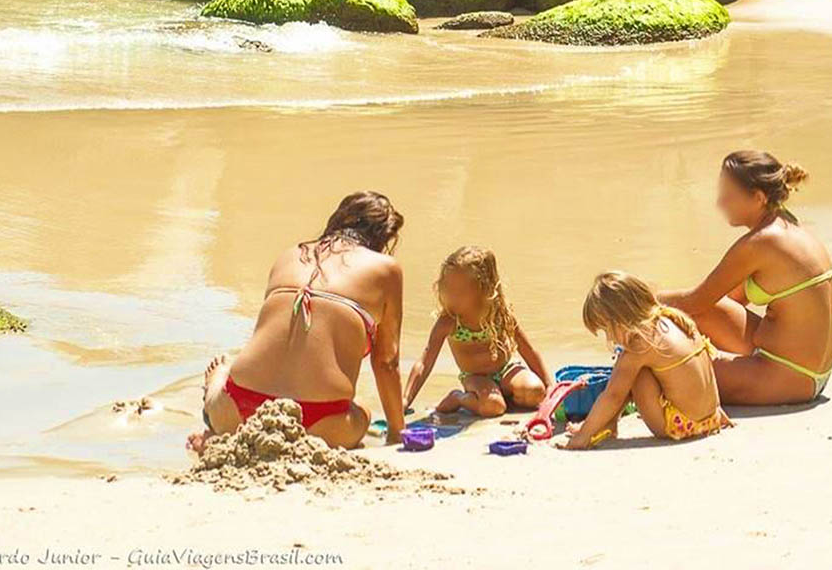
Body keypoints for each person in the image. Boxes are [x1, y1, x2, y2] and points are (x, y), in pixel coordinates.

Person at [191, 191, 407, 449]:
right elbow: (386, 362)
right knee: (363, 411)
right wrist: (397, 433)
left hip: (236, 410)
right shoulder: (386, 268)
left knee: (226, 370)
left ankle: (219, 394)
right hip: (323, 426)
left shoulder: (290, 254)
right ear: (383, 237)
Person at [657, 150, 832, 405]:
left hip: (788, 375)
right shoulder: (786, 224)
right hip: (807, 369)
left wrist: (637, 302)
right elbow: (728, 301)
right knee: (681, 316)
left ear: (758, 198)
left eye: (728, 195)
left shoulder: (760, 243)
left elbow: (696, 300)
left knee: (663, 368)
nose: (719, 203)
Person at [559, 272, 729, 450]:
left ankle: (599, 426)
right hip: (712, 418)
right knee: (627, 370)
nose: (609, 338)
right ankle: (608, 424)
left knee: (630, 373)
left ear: (621, 319)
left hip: (681, 426)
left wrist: (584, 436)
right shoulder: (672, 319)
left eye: (607, 329)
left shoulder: (641, 344)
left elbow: (613, 396)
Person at [404, 246, 549, 416]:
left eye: (461, 291)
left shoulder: (499, 314)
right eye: (448, 289)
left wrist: (550, 387)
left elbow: (528, 350)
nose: (453, 297)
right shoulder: (449, 321)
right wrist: (406, 399)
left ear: (483, 288)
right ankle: (459, 398)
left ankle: (500, 395)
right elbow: (425, 362)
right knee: (494, 407)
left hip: (506, 370)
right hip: (475, 377)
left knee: (536, 392)